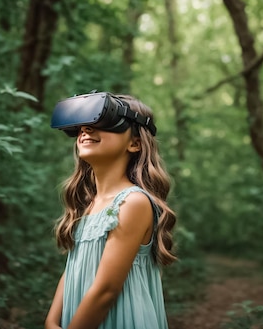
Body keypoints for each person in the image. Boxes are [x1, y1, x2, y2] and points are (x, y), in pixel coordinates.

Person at [45, 92, 177, 329]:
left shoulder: (132, 203)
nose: (86, 129)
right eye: (82, 125)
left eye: (104, 121)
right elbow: (73, 268)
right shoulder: (88, 204)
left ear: (134, 143)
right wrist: (52, 320)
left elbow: (106, 291)